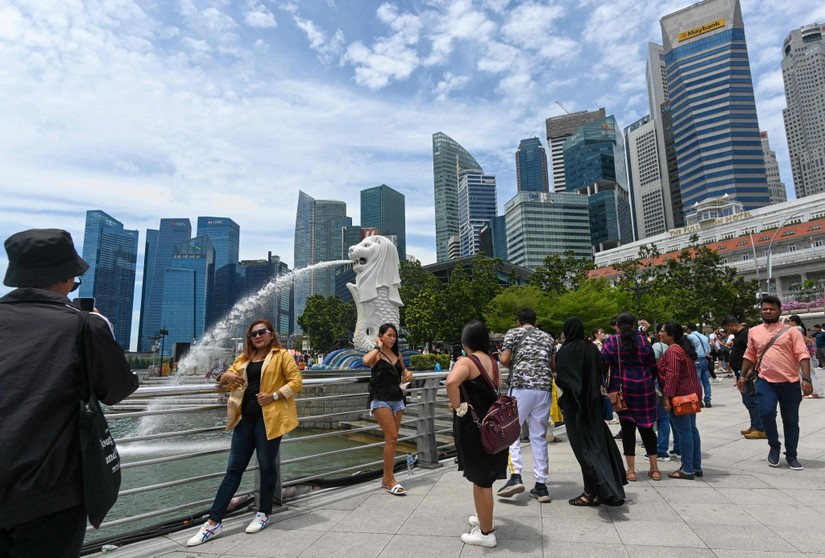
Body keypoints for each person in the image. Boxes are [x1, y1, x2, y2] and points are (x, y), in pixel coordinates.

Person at [0, 229, 138, 557]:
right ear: (66, 278)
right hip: (47, 491)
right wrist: (102, 329)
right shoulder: (83, 325)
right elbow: (117, 390)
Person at [187, 319, 303, 546]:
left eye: (262, 332)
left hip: (269, 419)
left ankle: (263, 512)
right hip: (244, 419)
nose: (257, 336)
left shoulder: (281, 355)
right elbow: (224, 377)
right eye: (253, 334)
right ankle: (213, 522)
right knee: (233, 470)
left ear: (271, 334)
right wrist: (224, 377)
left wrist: (274, 396)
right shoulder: (244, 358)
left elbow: (296, 381)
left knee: (267, 466)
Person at [446, 319, 507, 548]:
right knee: (483, 478)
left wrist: (457, 406)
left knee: (481, 481)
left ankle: (486, 533)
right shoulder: (493, 362)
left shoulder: (467, 361)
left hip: (475, 427)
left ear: (466, 341)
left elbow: (451, 382)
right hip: (492, 427)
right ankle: (483, 518)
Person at [555, 317, 627, 507]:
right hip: (593, 403)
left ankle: (592, 492)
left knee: (582, 449)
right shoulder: (591, 348)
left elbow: (563, 379)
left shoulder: (566, 350)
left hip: (575, 405)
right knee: (596, 446)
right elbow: (601, 372)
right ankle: (599, 489)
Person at [739, 295, 812, 471]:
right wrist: (742, 376)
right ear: (761, 311)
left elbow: (802, 354)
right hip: (765, 381)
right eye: (765, 309)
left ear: (779, 311)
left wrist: (806, 378)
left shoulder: (792, 332)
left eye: (771, 309)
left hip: (790, 382)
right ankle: (774, 446)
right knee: (766, 413)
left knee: (791, 420)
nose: (768, 311)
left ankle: (792, 455)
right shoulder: (754, 331)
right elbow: (749, 355)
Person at [497, 308, 556, 503]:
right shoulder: (548, 338)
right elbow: (553, 365)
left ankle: (515, 476)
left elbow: (505, 359)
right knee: (538, 436)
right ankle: (541, 486)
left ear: (518, 322)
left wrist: (510, 362)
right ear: (535, 322)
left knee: (512, 431)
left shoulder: (513, 333)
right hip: (544, 389)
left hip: (521, 387)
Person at [601, 312, 660, 481]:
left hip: (622, 389)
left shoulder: (612, 341)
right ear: (635, 325)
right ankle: (654, 469)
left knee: (627, 429)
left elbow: (602, 363)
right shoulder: (644, 341)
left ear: (618, 325)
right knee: (647, 428)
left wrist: (603, 384)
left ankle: (631, 471)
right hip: (645, 388)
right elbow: (653, 366)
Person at [362, 323, 413, 496]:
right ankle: (391, 480)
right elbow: (365, 361)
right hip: (380, 399)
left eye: (394, 336)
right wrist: (378, 346)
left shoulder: (397, 354)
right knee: (392, 437)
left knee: (392, 439)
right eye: (389, 335)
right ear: (381, 336)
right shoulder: (376, 354)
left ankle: (386, 479)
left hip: (397, 400)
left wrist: (408, 374)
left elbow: (404, 372)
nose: (392, 339)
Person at [657, 322, 703, 479]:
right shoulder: (681, 349)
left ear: (671, 335)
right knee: (691, 430)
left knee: (684, 432)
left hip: (679, 397)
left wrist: (666, 397)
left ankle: (687, 469)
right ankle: (695, 466)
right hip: (690, 396)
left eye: (663, 331)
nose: (660, 333)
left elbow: (672, 375)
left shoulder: (673, 351)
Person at [721, 316, 764, 439]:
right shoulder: (739, 335)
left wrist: (750, 369)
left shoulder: (745, 334)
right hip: (741, 373)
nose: (728, 332)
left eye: (727, 329)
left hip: (747, 374)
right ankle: (754, 425)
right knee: (747, 401)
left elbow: (754, 352)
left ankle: (760, 428)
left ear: (731, 325)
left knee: (752, 401)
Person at [686, 323, 713, 407]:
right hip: (705, 359)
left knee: (697, 382)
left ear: (689, 329)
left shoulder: (690, 337)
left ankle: (699, 400)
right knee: (706, 382)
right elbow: (709, 349)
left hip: (696, 360)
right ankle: (708, 400)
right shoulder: (704, 337)